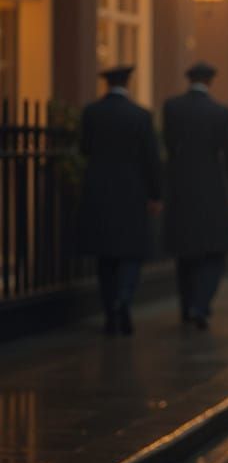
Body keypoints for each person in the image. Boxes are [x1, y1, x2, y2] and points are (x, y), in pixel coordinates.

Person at [162, 62, 228, 329]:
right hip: (212, 188)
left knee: (185, 252)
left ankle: (187, 306)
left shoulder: (171, 108)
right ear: (210, 82)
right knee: (214, 251)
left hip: (181, 187)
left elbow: (167, 144)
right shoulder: (219, 112)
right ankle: (201, 304)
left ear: (189, 80)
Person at [78, 65, 161, 336]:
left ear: (107, 84)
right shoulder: (140, 116)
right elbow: (151, 159)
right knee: (130, 254)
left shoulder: (91, 113)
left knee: (106, 256)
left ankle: (110, 308)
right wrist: (155, 194)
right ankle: (122, 301)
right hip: (132, 193)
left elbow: (84, 149)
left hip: (99, 193)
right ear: (128, 83)